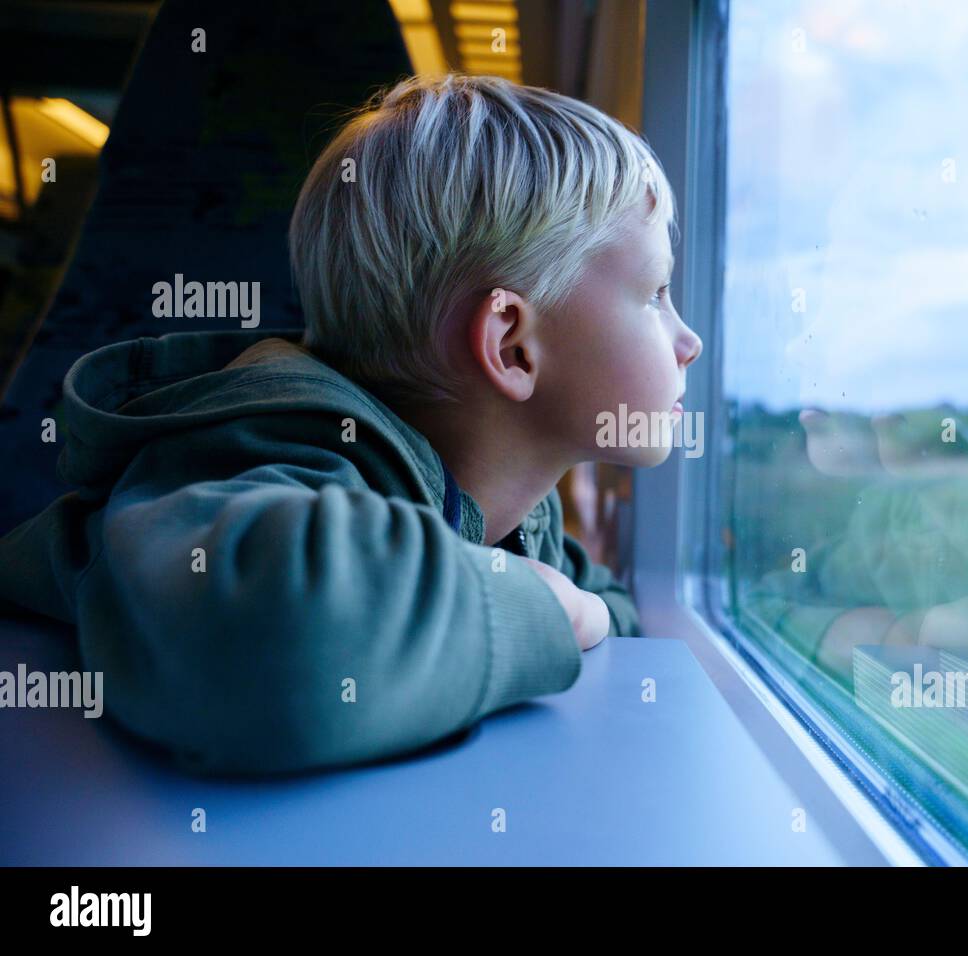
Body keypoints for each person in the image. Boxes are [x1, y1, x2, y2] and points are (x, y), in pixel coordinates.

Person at [0, 73, 702, 776]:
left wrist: (579, 608)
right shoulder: (267, 459)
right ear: (512, 346)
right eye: (656, 293)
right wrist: (548, 611)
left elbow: (605, 606)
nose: (688, 341)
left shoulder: (512, 509)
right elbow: (283, 645)